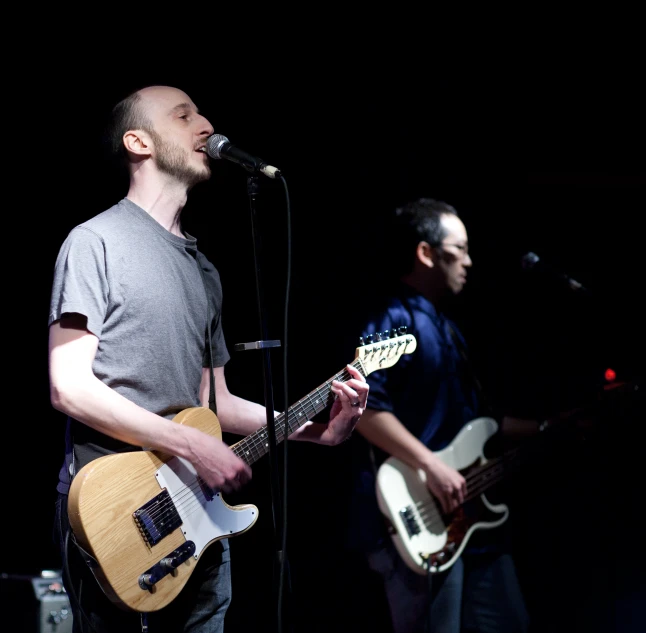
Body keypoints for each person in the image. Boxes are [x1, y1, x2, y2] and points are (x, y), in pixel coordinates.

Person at [48, 84, 369, 633]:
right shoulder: (95, 241)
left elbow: (213, 405)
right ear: (138, 142)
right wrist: (191, 442)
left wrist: (319, 431)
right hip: (113, 509)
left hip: (196, 512)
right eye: (184, 115)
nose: (206, 124)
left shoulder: (205, 272)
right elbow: (69, 388)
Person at [344, 197, 530, 633]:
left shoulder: (449, 328)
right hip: (414, 515)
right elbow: (367, 409)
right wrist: (430, 465)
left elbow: (483, 422)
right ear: (426, 253)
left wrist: (549, 428)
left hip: (470, 522)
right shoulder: (393, 318)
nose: (468, 260)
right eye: (459, 248)